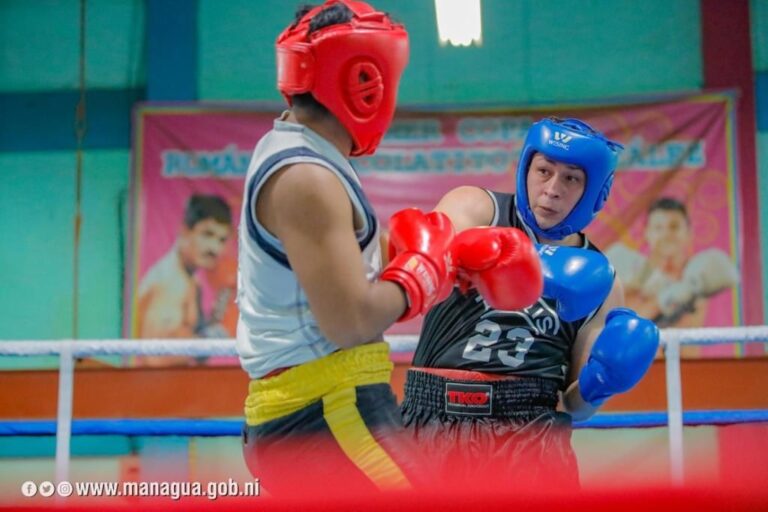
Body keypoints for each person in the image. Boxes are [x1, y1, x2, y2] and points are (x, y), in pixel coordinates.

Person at [235, 1, 542, 495]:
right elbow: (351, 320)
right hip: (323, 409)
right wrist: (420, 274)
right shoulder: (305, 176)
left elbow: (351, 279)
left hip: (324, 404)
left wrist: (445, 262)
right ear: (365, 81)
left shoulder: (307, 155)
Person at [400, 117, 661, 489]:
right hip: (431, 418)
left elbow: (576, 407)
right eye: (543, 171)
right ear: (525, 169)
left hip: (529, 433)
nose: (552, 189)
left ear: (595, 192)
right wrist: (520, 260)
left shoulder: (602, 281)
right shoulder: (476, 210)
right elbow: (431, 272)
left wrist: (599, 384)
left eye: (571, 178)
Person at [606, 197, 738, 329]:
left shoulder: (696, 280)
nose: (666, 234)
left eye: (674, 227)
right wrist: (662, 300)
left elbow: (686, 344)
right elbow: (620, 329)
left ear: (688, 232)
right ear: (647, 232)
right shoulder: (629, 269)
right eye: (658, 227)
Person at [135, 194, 233, 366]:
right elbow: (155, 358)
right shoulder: (171, 283)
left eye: (221, 240)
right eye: (207, 234)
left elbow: (183, 334)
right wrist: (205, 342)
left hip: (172, 385)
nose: (214, 248)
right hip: (157, 388)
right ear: (184, 230)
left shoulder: (190, 280)